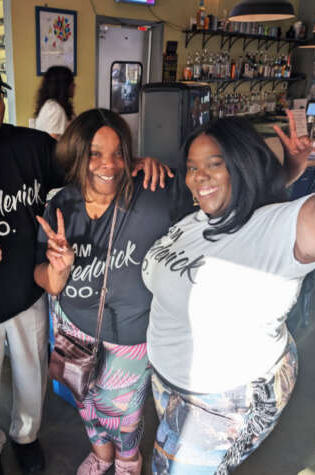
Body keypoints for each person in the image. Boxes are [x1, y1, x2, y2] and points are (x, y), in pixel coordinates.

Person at [142, 30, 315, 475]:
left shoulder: (282, 231)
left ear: (241, 165)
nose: (199, 177)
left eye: (215, 164)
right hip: (170, 381)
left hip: (226, 396)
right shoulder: (199, 218)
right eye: (192, 167)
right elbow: (247, 205)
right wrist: (288, 171)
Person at [0, 51, 168, 475]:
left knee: (31, 380)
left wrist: (132, 164)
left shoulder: (31, 145)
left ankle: (26, 437)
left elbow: (89, 162)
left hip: (30, 290)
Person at [34, 109, 191, 475]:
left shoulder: (154, 192)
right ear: (76, 155)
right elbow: (47, 282)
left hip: (130, 334)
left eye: (119, 152)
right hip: (74, 327)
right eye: (95, 153)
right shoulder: (62, 205)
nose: (110, 164)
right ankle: (102, 455)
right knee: (85, 400)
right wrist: (59, 269)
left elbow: (211, 213)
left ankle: (127, 460)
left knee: (123, 413)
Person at [34, 65, 75, 139]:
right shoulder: (55, 110)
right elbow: (51, 142)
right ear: (63, 86)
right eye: (72, 82)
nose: (74, 85)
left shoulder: (51, 105)